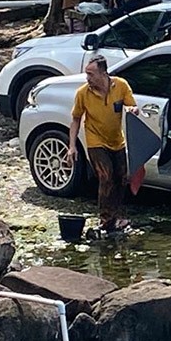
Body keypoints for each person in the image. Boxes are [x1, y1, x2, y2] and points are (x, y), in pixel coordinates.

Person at [67, 55, 139, 232]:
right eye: (86, 74)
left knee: (121, 177)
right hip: (95, 140)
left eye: (91, 74)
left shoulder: (120, 85)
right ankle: (105, 219)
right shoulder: (83, 93)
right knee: (106, 176)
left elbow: (132, 105)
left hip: (116, 140)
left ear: (103, 73)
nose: (88, 78)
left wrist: (133, 110)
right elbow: (76, 119)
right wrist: (72, 146)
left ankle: (118, 215)